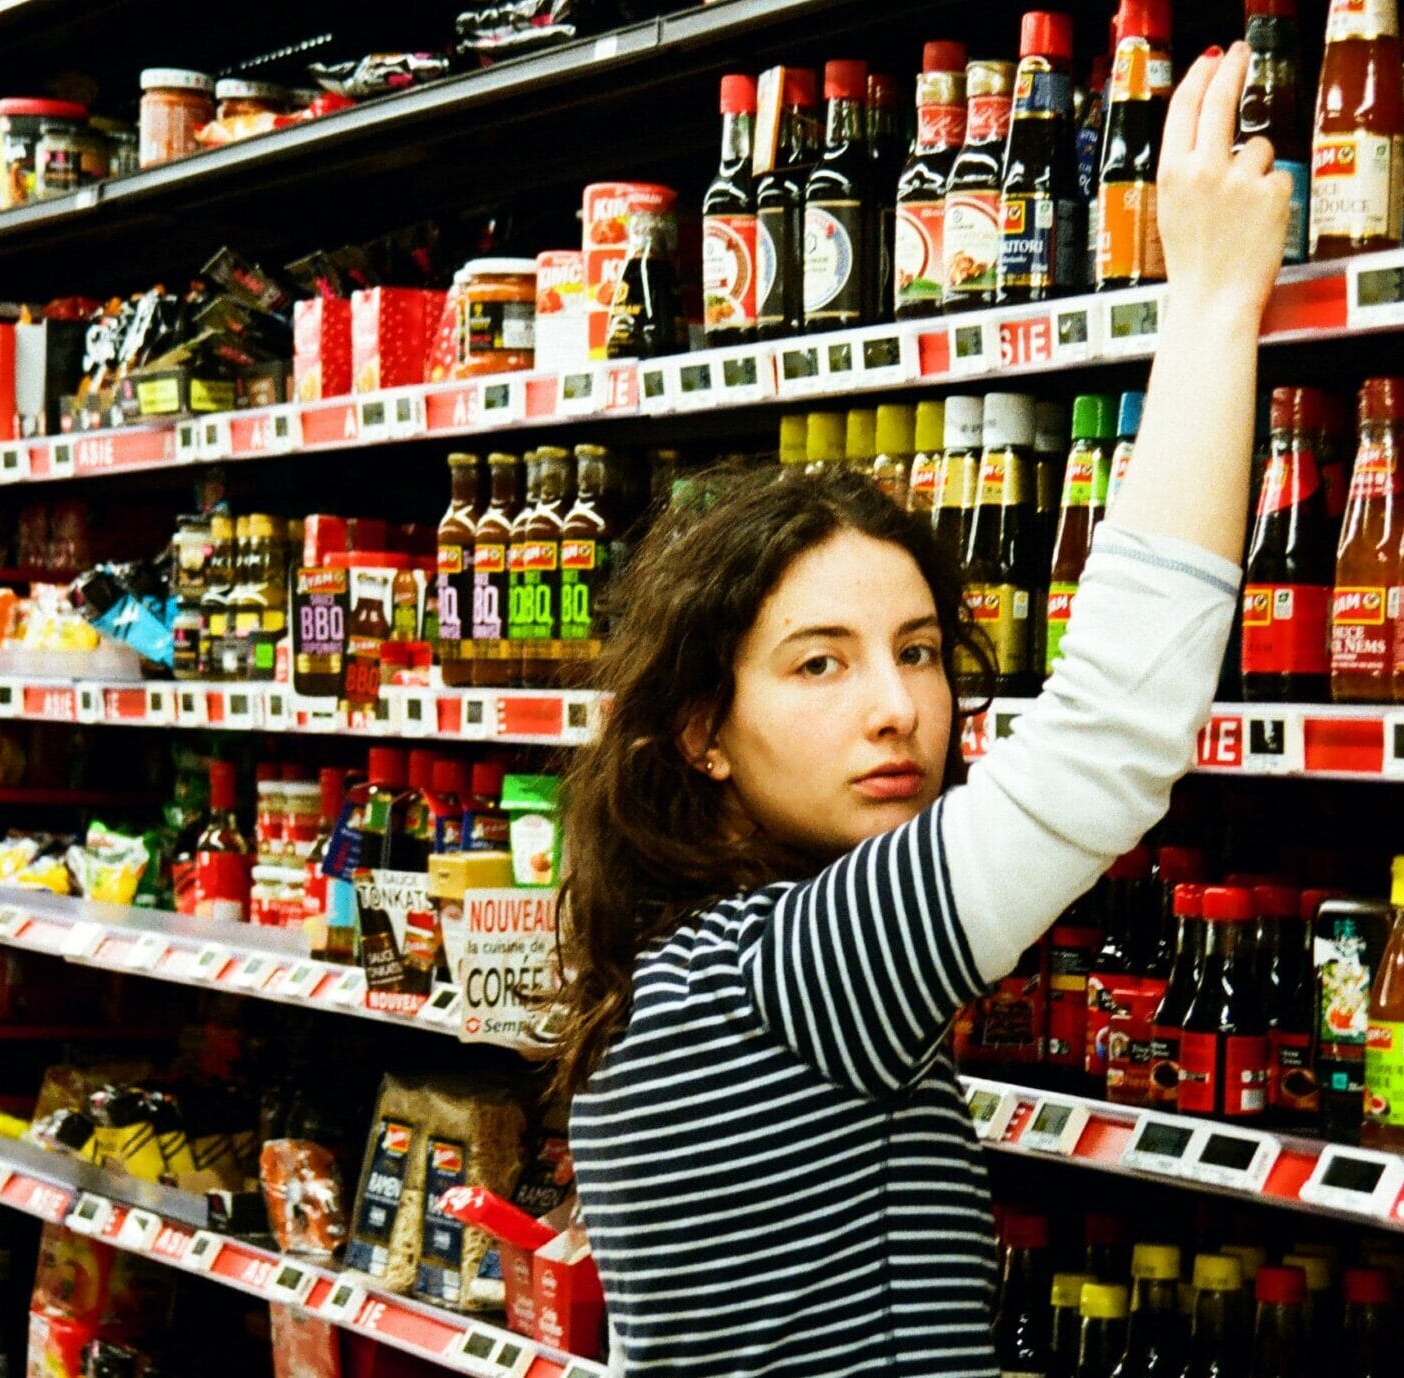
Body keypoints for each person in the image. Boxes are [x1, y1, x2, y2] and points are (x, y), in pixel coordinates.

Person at [553, 43, 1290, 1377]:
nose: (898, 708)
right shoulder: (780, 970)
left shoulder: (681, 960)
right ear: (699, 732)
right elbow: (1103, 745)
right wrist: (1211, 304)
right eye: (817, 664)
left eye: (919, 649)